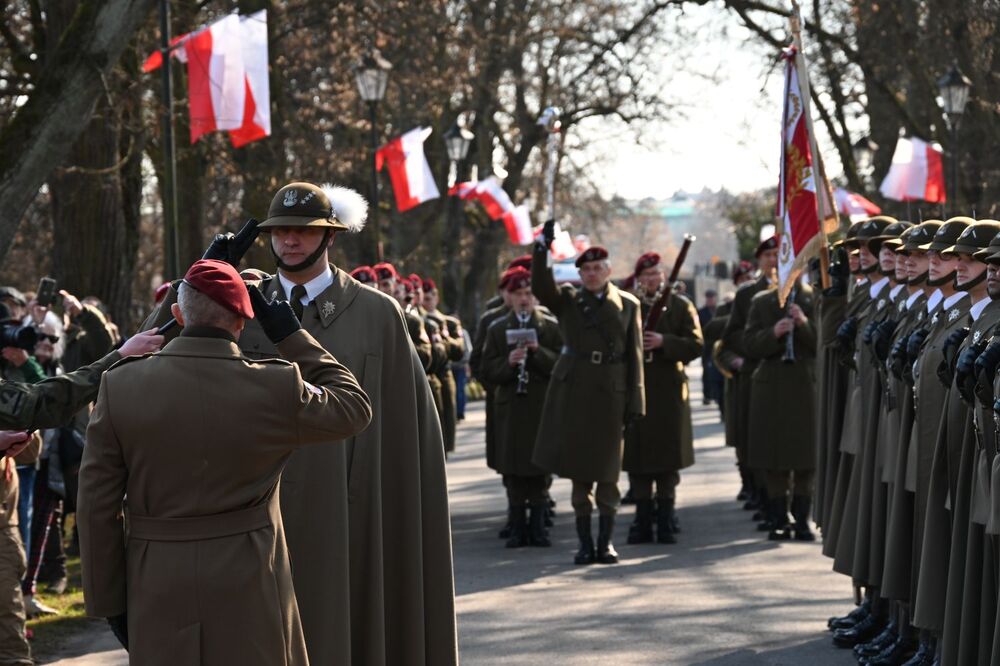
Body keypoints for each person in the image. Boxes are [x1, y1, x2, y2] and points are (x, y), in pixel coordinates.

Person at [143, 182, 458, 665]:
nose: (290, 241)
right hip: (249, 513)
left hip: (349, 511)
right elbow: (155, 347)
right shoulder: (239, 306)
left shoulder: (376, 313)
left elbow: (406, 434)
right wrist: (200, 274)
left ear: (330, 236)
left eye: (304, 231)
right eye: (280, 231)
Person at [79, 259, 372, 664]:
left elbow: (97, 503)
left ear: (178, 314)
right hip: (250, 572)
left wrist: (109, 601)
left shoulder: (120, 385)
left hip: (157, 576)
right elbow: (353, 408)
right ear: (242, 322)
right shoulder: (276, 385)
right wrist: (291, 335)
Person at [531, 227, 644, 566]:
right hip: (575, 389)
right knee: (580, 471)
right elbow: (541, 287)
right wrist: (541, 249)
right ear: (580, 274)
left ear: (609, 270)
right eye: (586, 269)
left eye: (598, 268)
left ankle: (606, 542)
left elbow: (635, 356)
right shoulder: (568, 300)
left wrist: (636, 399)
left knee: (608, 472)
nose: (592, 274)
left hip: (611, 390)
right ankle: (584, 544)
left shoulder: (628, 305)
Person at [623, 252, 702, 545]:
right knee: (638, 458)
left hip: (669, 391)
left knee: (668, 461)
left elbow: (696, 345)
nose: (650, 280)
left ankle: (666, 517)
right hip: (638, 390)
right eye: (645, 276)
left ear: (664, 275)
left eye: (655, 274)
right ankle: (642, 519)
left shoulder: (680, 306)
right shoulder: (629, 306)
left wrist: (664, 342)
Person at [480, 267, 562, 548]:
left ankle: (538, 529)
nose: (524, 299)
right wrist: (509, 363)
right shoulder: (497, 327)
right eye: (518, 294)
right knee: (513, 472)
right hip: (511, 410)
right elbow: (485, 368)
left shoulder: (550, 326)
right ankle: (517, 529)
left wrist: (539, 353)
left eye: (528, 293)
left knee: (539, 472)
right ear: (509, 297)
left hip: (540, 407)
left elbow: (561, 366)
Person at [721, 236, 779, 524]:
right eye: (768, 254)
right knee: (755, 442)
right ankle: (762, 496)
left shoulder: (802, 291)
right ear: (759, 259)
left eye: (779, 253)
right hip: (755, 376)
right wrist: (750, 349)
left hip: (791, 381)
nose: (773, 259)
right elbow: (730, 336)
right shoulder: (746, 295)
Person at [423, 277, 465, 454]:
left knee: (445, 427)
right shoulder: (417, 320)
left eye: (430, 296)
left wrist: (444, 340)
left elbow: (459, 350)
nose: (427, 301)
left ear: (436, 297)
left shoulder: (449, 322)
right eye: (424, 297)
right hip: (427, 378)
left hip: (444, 377)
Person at [698, 289, 723, 406]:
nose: (710, 300)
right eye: (708, 298)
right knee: (706, 371)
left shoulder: (720, 310)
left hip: (718, 345)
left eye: (712, 298)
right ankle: (707, 395)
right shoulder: (701, 312)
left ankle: (716, 395)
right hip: (706, 346)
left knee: (718, 371)